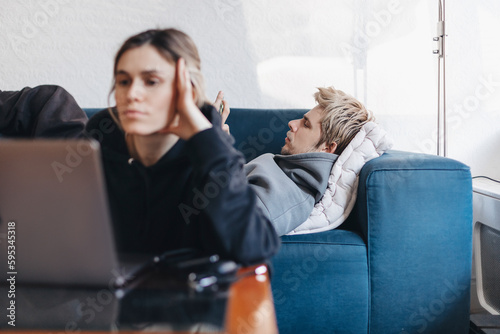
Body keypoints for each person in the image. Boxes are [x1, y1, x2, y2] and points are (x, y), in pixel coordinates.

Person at [0, 28, 280, 266]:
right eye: (124, 81)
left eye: (151, 81)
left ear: (187, 91)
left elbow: (254, 247)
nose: (132, 94)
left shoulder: (209, 164)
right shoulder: (91, 151)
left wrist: (206, 138)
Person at [217, 86, 374, 236]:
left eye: (306, 124)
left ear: (327, 148)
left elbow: (235, 224)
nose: (292, 123)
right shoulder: (285, 172)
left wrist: (213, 148)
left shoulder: (295, 194)